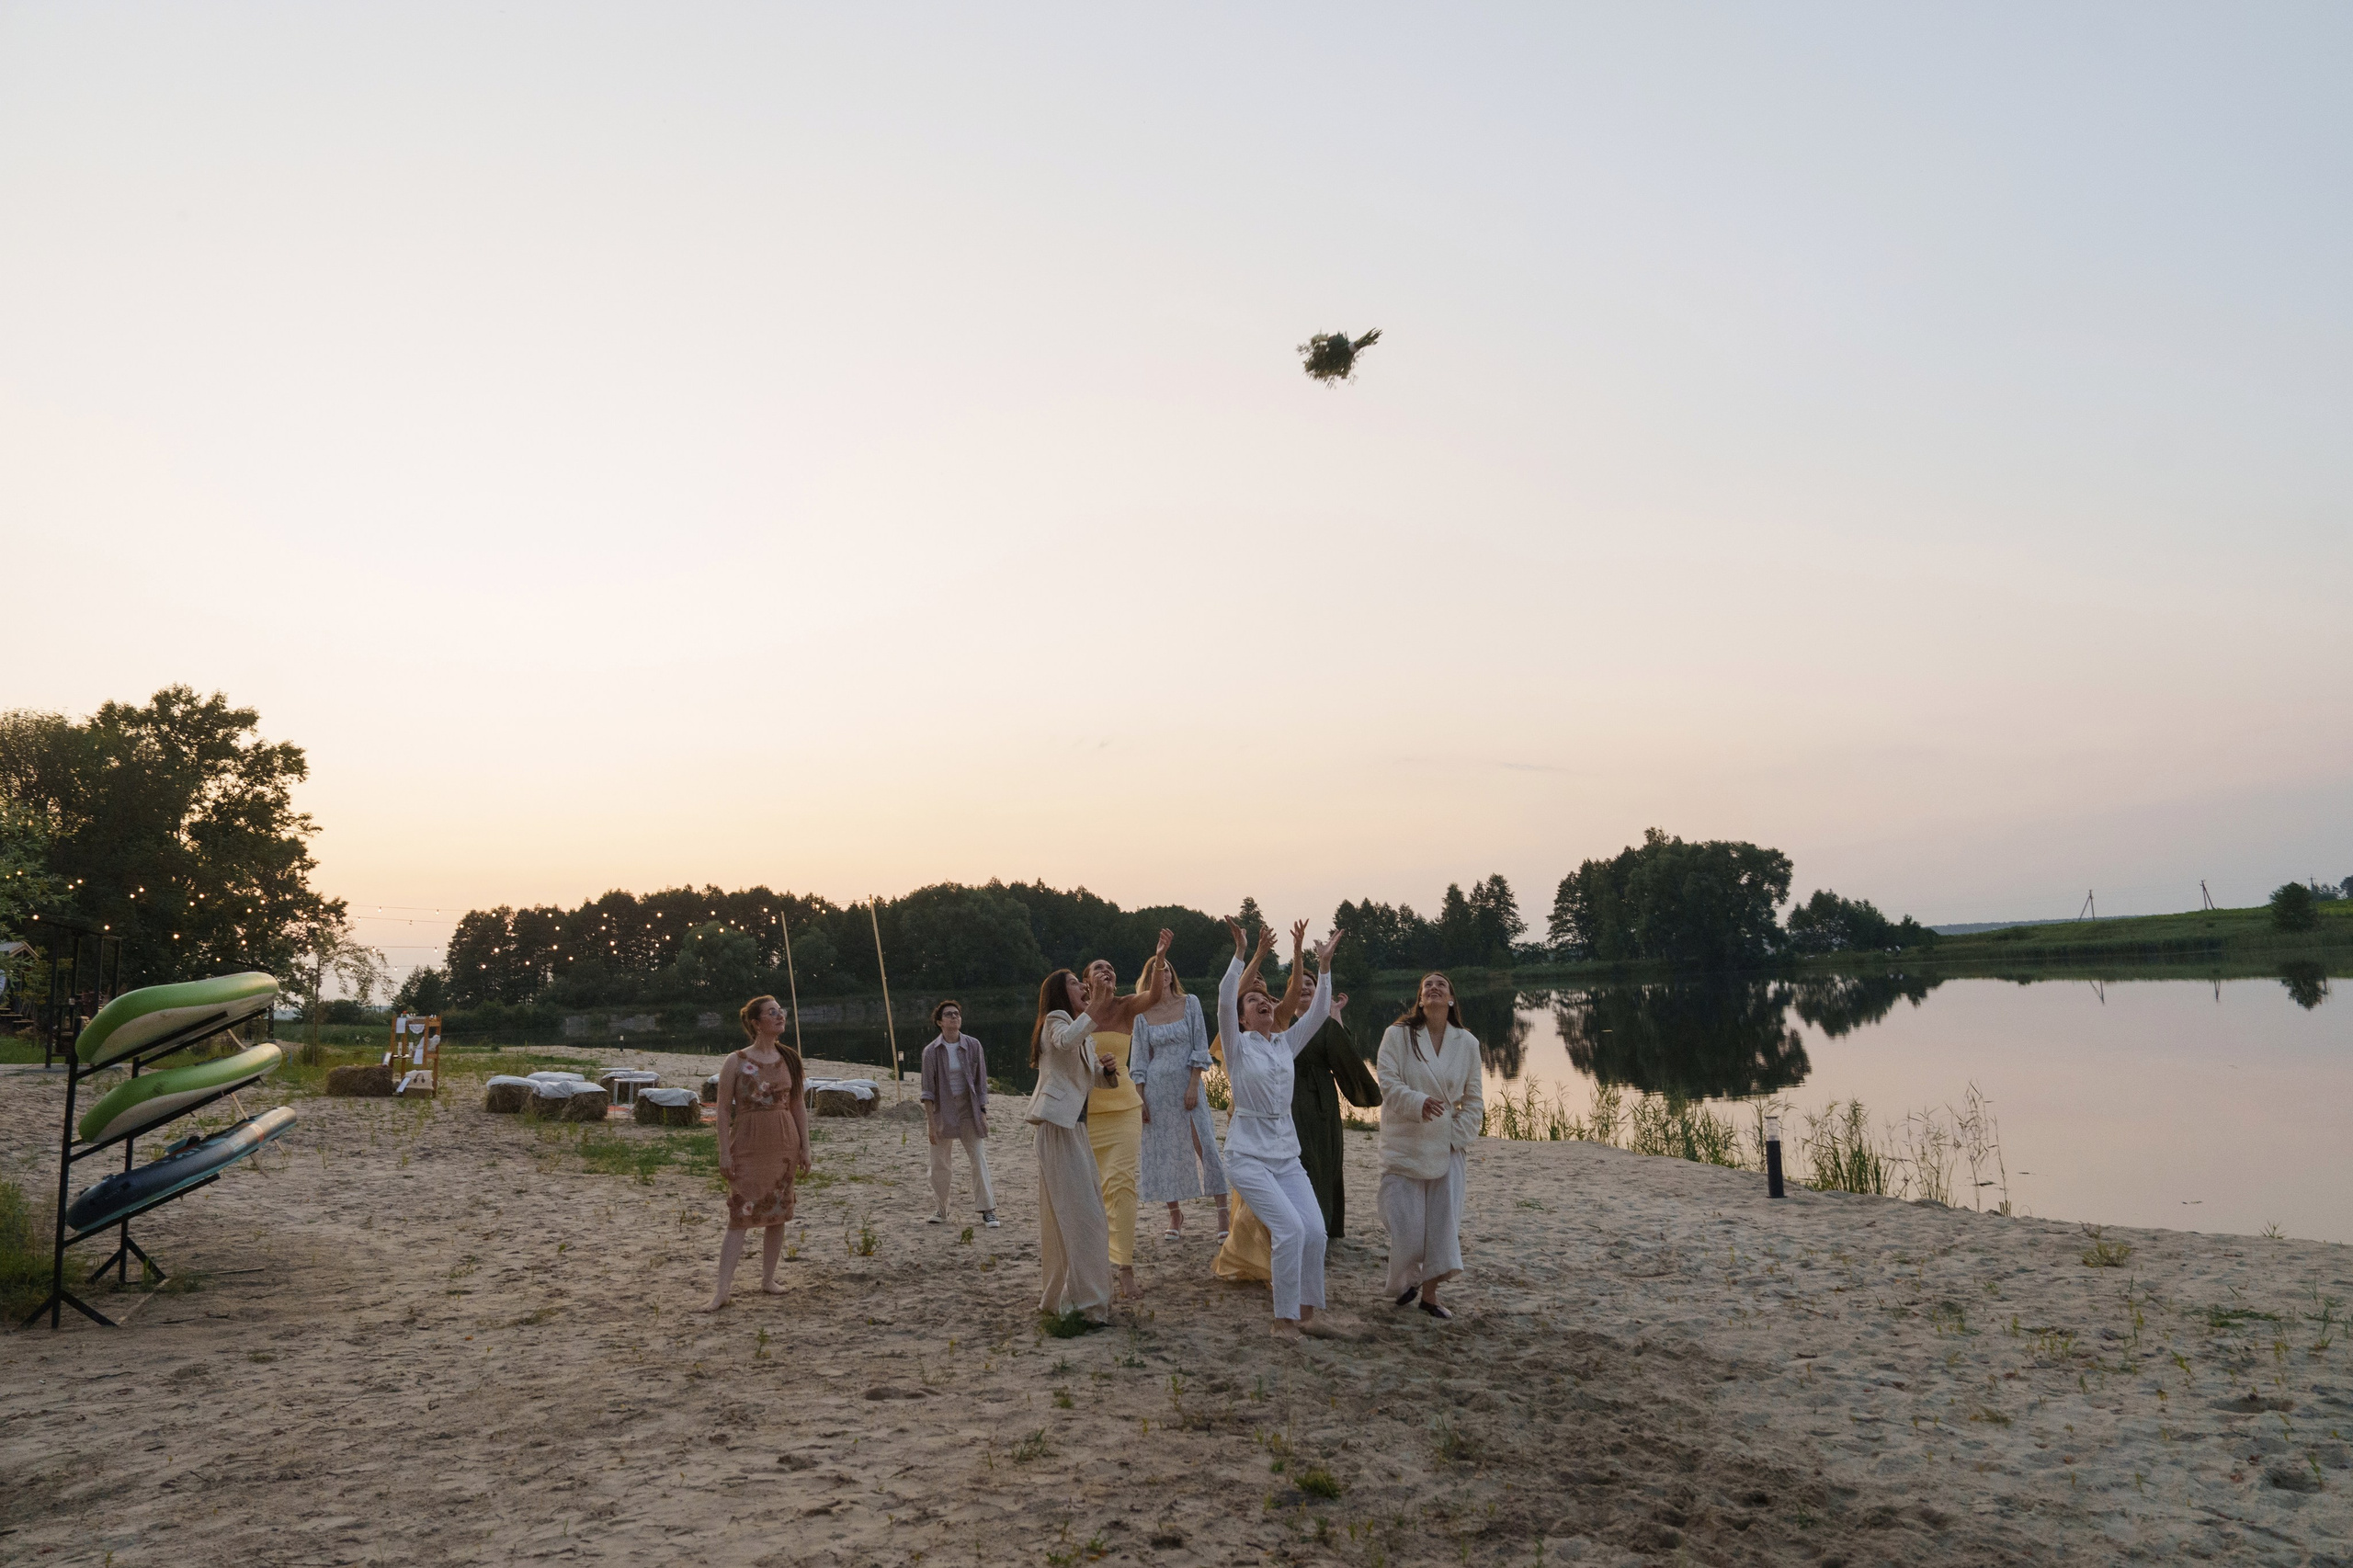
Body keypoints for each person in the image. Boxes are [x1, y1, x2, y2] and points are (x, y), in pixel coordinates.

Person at [1216, 916, 1348, 1340]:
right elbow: (1224, 998)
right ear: (1241, 1019)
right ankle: (1283, 1320)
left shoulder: (1284, 1045)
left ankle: (1308, 1314)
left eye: (1265, 999)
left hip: (1286, 1157)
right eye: (1253, 1002)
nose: (1263, 1003)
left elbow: (1316, 1016)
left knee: (1315, 1230)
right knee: (1289, 1230)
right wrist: (1240, 956)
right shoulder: (1238, 1049)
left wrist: (1323, 967)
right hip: (1248, 1157)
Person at [1029, 930, 1172, 1322]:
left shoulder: (1091, 1024)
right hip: (1061, 1127)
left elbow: (1093, 1076)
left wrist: (1108, 1072)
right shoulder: (1059, 1020)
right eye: (1077, 980)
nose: (1084, 983)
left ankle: (1082, 1297)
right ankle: (1081, 1303)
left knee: (1085, 1210)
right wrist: (1091, 1016)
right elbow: (1062, 1043)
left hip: (1083, 1123)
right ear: (1071, 991)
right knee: (1078, 1215)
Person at [1376, 971, 1483, 1320]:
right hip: (1405, 1140)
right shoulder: (1397, 1036)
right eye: (1427, 986)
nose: (1434, 988)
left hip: (1446, 1147)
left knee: (1441, 1225)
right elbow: (1388, 1083)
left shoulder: (1467, 1043)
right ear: (1420, 1000)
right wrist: (1417, 1102)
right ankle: (1407, 1277)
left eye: (1442, 985)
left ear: (1451, 999)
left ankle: (1430, 1296)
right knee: (1406, 1223)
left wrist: (1454, 1138)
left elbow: (1474, 1100)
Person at [699, 994, 812, 1312]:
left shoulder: (789, 1058)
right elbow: (722, 1110)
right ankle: (721, 1291)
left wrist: (806, 1146)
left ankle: (768, 1278)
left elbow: (798, 1104)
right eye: (772, 1013)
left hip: (784, 1141)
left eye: (781, 1012)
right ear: (756, 1022)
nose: (780, 1017)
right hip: (748, 1142)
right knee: (740, 1213)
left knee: (778, 1210)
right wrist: (724, 1152)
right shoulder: (735, 1061)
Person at [1129, 955, 1229, 1242]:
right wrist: (1141, 1098)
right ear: (1150, 980)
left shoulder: (1191, 1003)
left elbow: (1200, 1046)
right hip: (1157, 1090)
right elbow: (1139, 1060)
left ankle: (1223, 1211)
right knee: (1164, 1152)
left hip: (1188, 1084)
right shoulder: (1141, 1014)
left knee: (1206, 1146)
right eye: (1158, 972)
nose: (1165, 975)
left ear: (1172, 975)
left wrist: (1194, 1085)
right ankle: (1175, 1214)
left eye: (1168, 970)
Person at [1080, 956, 1148, 1299]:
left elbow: (1154, 995)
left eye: (1110, 966)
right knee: (1090, 1192)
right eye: (1097, 968)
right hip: (1084, 1114)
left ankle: (1125, 1268)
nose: (1106, 970)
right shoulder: (1077, 1012)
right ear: (1086, 980)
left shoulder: (1125, 1008)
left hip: (1124, 1108)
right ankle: (1093, 1266)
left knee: (1121, 1185)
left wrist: (1160, 957)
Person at [919, 999, 998, 1229]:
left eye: (957, 1014)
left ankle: (988, 1210)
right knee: (939, 1163)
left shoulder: (973, 1045)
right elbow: (927, 1091)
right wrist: (931, 1124)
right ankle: (941, 1210)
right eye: (949, 1015)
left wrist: (983, 1112)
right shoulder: (931, 1052)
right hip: (942, 1110)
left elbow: (981, 1082)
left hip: (968, 1109)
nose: (954, 1017)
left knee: (978, 1157)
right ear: (939, 1022)